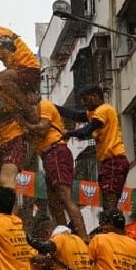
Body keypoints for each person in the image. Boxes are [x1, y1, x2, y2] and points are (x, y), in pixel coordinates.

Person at [22, 97, 87, 239]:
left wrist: (25, 125)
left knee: (64, 196)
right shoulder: (31, 114)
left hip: (56, 152)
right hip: (48, 157)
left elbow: (43, 129)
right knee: (53, 203)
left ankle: (84, 238)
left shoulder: (44, 105)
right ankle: (65, 236)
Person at [66, 86, 131, 210]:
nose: (84, 104)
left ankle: (110, 225)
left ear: (96, 97)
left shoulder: (103, 110)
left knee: (110, 198)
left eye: (86, 100)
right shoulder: (95, 113)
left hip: (114, 161)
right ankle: (109, 222)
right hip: (109, 162)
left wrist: (69, 133)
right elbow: (75, 115)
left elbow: (86, 131)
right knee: (107, 198)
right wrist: (54, 107)